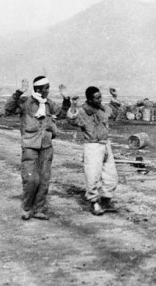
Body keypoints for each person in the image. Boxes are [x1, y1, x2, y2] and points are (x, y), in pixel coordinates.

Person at [4, 76, 71, 221]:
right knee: (31, 179)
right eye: (46, 88)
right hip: (30, 145)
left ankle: (39, 209)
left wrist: (66, 100)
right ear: (38, 89)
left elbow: (62, 114)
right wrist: (18, 93)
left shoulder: (48, 104)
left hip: (46, 145)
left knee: (44, 179)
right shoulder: (25, 102)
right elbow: (8, 108)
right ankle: (27, 207)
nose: (48, 90)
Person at [67, 86, 119, 216]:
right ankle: (94, 203)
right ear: (89, 100)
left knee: (111, 175)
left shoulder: (103, 109)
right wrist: (73, 105)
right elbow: (71, 120)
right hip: (92, 146)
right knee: (92, 176)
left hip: (106, 145)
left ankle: (106, 201)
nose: (100, 99)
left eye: (100, 97)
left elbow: (114, 112)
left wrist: (114, 97)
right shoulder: (83, 112)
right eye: (97, 98)